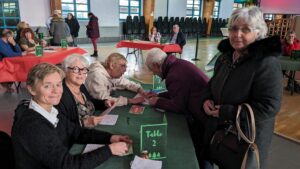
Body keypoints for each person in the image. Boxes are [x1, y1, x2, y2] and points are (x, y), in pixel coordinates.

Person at [200, 7, 283, 169]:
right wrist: (206, 99)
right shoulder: (225, 57)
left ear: (258, 33)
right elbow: (212, 84)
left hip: (246, 139)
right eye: (234, 28)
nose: (237, 34)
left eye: (246, 29)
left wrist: (227, 112)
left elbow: (269, 106)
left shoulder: (266, 63)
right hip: (222, 134)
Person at [12, 63, 132, 169]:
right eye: (47, 86)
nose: (56, 91)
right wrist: (110, 150)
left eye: (58, 85)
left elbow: (77, 132)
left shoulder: (51, 110)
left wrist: (111, 138)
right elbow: (68, 165)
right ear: (32, 90)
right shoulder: (33, 126)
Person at [144, 48, 209, 167]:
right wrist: (159, 95)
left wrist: (157, 102)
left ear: (156, 65)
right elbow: (179, 92)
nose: (153, 73)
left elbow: (179, 106)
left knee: (202, 154)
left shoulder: (174, 75)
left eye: (151, 69)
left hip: (202, 118)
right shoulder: (176, 65)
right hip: (202, 110)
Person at [56, 54, 114, 128]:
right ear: (66, 71)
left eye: (83, 69)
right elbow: (62, 126)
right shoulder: (61, 94)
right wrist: (85, 122)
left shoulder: (81, 86)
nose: (81, 73)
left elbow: (90, 102)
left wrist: (104, 103)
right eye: (76, 69)